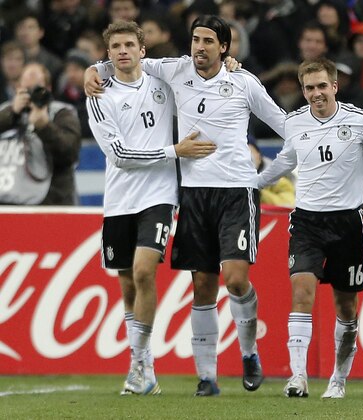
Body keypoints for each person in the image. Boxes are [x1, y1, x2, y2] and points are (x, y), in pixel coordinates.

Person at [86, 14, 286, 397]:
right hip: (188, 193)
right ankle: (204, 378)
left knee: (234, 279)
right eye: (196, 39)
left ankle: (248, 352)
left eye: (209, 41)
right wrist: (90, 70)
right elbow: (119, 65)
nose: (200, 47)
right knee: (200, 285)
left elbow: (285, 126)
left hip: (224, 191)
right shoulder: (172, 72)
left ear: (224, 47)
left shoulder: (239, 80)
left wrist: (268, 175)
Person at [86, 20, 216, 396]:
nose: (123, 51)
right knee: (128, 282)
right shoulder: (99, 95)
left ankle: (138, 365)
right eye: (116, 47)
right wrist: (174, 151)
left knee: (144, 271)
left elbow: (203, 67)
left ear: (143, 50)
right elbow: (119, 155)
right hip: (119, 199)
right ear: (108, 55)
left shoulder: (164, 83)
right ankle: (144, 366)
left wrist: (232, 64)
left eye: (130, 44)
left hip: (158, 195)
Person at [258, 58, 363, 399]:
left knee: (346, 308)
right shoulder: (295, 123)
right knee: (301, 293)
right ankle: (298, 377)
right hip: (307, 222)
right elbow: (285, 161)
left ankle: (338, 378)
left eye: (322, 86)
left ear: (335, 86)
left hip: (347, 224)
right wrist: (253, 183)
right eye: (309, 88)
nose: (316, 94)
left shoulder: (360, 121)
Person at [0, 62, 81, 205]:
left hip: (51, 203)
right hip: (8, 203)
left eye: (37, 89)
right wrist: (12, 113)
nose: (31, 95)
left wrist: (44, 126)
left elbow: (69, 154)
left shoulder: (62, 113)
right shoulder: (6, 111)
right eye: (26, 89)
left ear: (48, 88)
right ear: (18, 88)